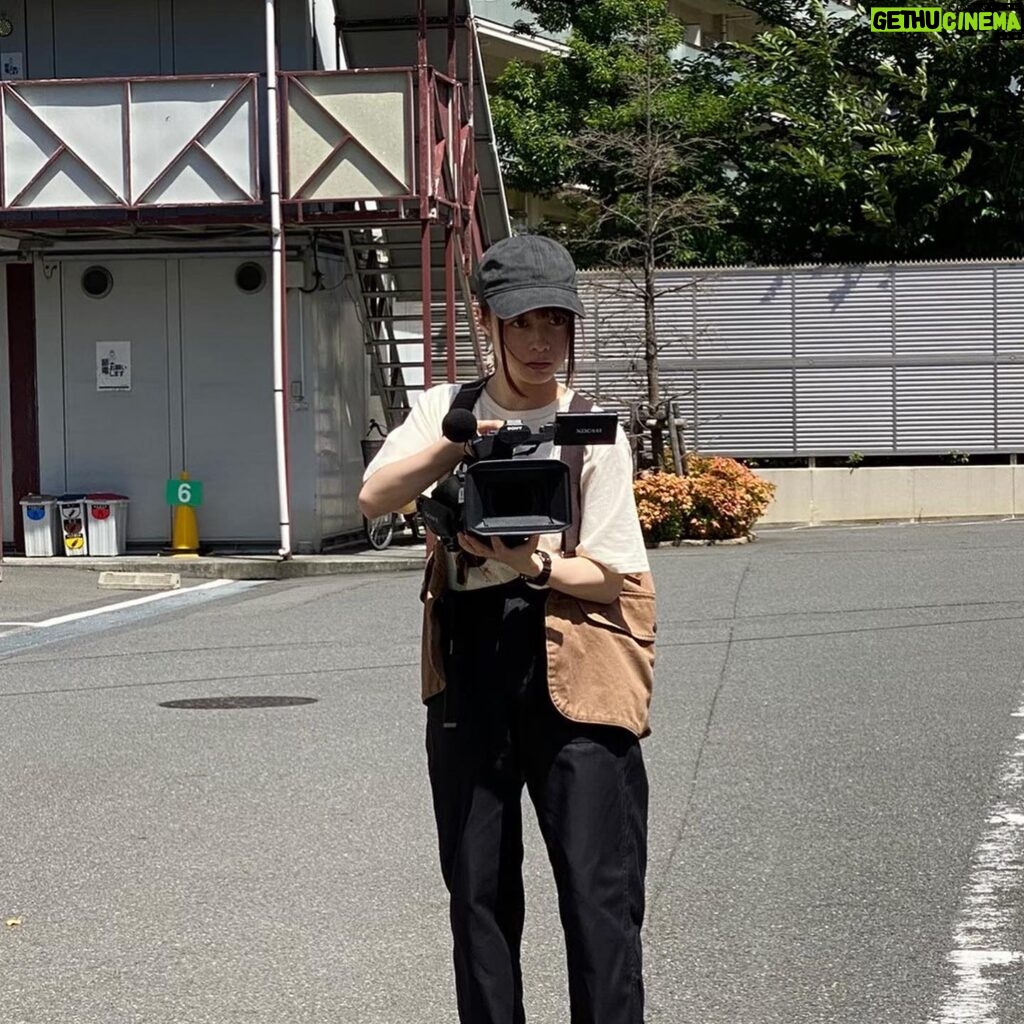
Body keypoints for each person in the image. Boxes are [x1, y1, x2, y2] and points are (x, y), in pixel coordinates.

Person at [359, 234, 656, 1024]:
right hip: (470, 665)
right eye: (523, 322)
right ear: (486, 321)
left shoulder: (592, 429)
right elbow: (374, 496)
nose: (540, 342)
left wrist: (534, 564)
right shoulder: (445, 410)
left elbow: (615, 574)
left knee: (600, 893)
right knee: (479, 892)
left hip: (576, 661)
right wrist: (460, 444)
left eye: (557, 323)